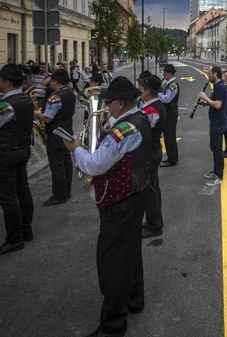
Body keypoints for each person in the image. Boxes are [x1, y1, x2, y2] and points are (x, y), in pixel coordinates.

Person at [63, 77, 151, 337]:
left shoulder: (125, 129)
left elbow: (94, 165)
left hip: (120, 202)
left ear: (120, 103)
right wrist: (103, 132)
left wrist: (77, 148)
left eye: (108, 103)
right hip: (134, 196)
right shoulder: (138, 118)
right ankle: (136, 300)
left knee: (113, 262)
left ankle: (113, 326)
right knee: (130, 251)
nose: (106, 107)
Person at [0, 64, 35, 255]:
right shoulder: (25, 98)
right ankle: (26, 229)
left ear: (7, 82)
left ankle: (14, 239)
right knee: (23, 190)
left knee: (8, 198)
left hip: (4, 154)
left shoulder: (4, 105)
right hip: (22, 151)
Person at [34, 69, 76, 206]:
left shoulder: (54, 97)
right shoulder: (71, 93)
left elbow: (47, 119)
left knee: (57, 165)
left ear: (56, 82)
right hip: (67, 130)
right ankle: (67, 190)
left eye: (52, 81)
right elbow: (73, 111)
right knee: (66, 162)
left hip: (56, 132)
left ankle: (59, 195)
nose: (50, 83)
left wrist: (37, 114)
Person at [137, 74, 166, 239]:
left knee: (149, 191)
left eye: (141, 88)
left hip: (149, 152)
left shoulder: (152, 109)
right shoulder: (153, 105)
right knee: (153, 187)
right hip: (152, 151)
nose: (140, 90)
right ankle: (154, 221)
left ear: (148, 91)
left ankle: (155, 225)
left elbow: (140, 127)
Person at [198, 65, 227, 186]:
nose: (208, 76)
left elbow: (218, 105)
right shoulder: (217, 86)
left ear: (215, 74)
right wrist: (204, 103)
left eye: (209, 74)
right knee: (214, 147)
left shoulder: (220, 87)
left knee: (217, 149)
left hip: (219, 123)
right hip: (215, 121)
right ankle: (216, 170)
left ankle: (219, 175)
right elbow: (213, 103)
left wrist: (206, 98)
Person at [159, 64, 179, 167]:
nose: (164, 75)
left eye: (165, 73)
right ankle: (171, 157)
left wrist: (157, 94)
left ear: (169, 73)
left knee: (170, 136)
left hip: (171, 112)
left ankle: (172, 159)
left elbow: (167, 99)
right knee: (167, 135)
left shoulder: (173, 85)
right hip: (169, 112)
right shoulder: (169, 83)